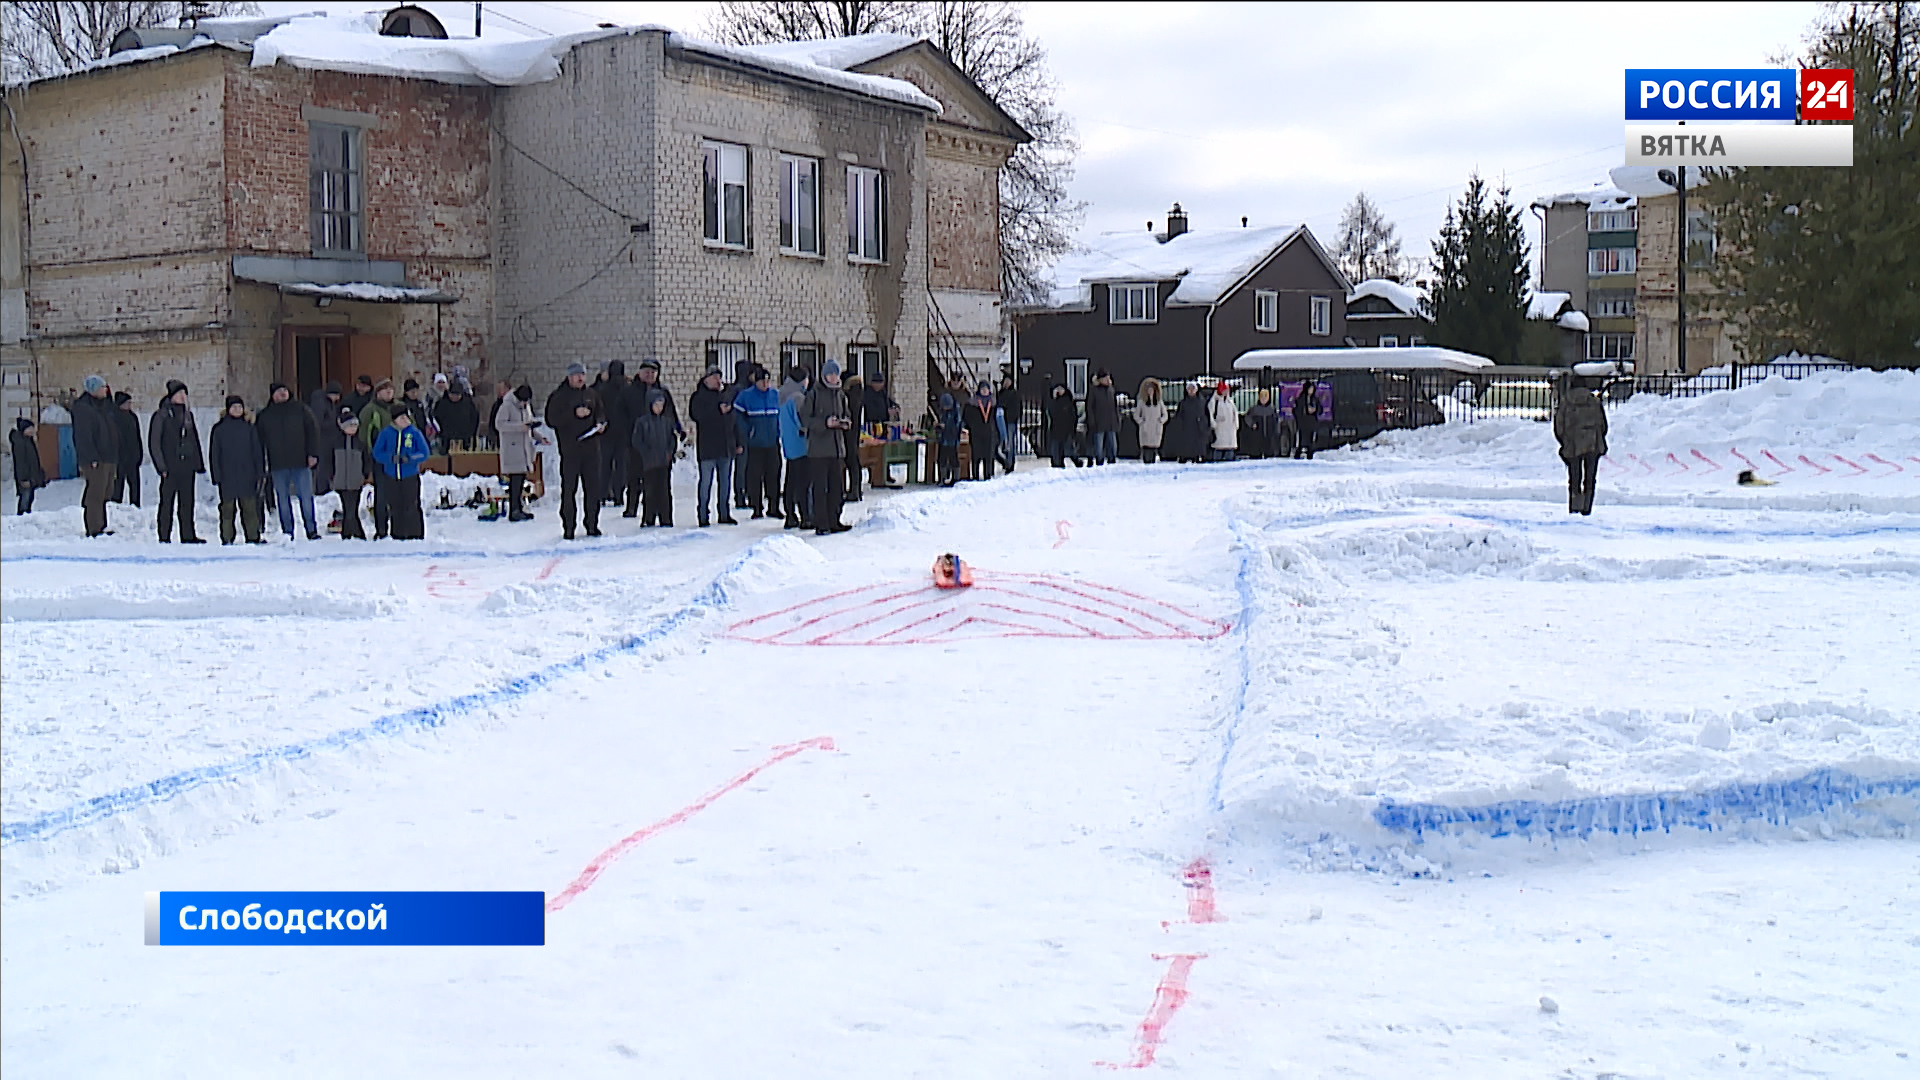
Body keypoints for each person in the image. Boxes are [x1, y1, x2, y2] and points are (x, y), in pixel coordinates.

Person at [545, 362, 604, 540]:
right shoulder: (559, 396)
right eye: (577, 375)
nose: (580, 378)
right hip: (571, 449)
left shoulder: (591, 394)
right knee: (569, 489)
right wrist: (573, 414)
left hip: (591, 449)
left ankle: (592, 524)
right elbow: (551, 419)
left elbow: (601, 412)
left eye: (582, 375)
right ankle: (569, 526)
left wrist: (601, 423)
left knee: (593, 489)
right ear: (569, 377)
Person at [258, 382, 322, 541]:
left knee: (306, 498)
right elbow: (259, 441)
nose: (283, 393)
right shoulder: (265, 415)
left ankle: (311, 529)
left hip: (301, 462)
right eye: (279, 391)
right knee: (282, 500)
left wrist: (313, 454)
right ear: (272, 395)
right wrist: (262, 462)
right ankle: (287, 532)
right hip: (278, 464)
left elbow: (312, 431)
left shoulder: (301, 409)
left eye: (285, 390)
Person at [148, 379, 205, 543]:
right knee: (167, 503)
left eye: (185, 394)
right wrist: (161, 467)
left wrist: (198, 463)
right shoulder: (162, 415)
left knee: (187, 502)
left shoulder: (188, 415)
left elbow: (194, 440)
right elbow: (154, 442)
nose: (183, 397)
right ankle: (164, 535)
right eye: (179, 394)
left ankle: (188, 534)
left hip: (187, 466)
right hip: (170, 467)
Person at [800, 360, 853, 534]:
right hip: (819, 450)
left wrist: (845, 423)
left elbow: (846, 413)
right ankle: (821, 523)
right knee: (820, 489)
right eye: (830, 374)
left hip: (837, 450)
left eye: (836, 374)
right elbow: (805, 419)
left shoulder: (841, 395)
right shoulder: (814, 394)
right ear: (824, 376)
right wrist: (824, 423)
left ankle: (835, 520)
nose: (833, 377)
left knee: (837, 488)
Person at [622, 359, 680, 514]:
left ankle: (656, 509)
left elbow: (671, 412)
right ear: (640, 373)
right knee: (634, 476)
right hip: (636, 441)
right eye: (646, 372)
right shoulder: (630, 391)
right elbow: (620, 414)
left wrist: (677, 428)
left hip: (659, 441)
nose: (650, 375)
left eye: (653, 372)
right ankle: (631, 506)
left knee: (657, 478)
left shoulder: (663, 391)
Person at [207, 395, 266, 545]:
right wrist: (216, 475)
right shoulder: (219, 429)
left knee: (250, 509)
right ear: (228, 409)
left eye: (240, 407)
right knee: (227, 510)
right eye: (234, 407)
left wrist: (260, 472)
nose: (237, 410)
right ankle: (227, 537)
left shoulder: (249, 428)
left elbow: (257, 452)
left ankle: (253, 536)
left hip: (247, 475)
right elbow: (214, 454)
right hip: (227, 476)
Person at [688, 366, 740, 527]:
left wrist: (737, 442)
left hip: (725, 446)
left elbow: (733, 421)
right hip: (708, 447)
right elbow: (697, 416)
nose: (718, 380)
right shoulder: (698, 397)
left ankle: (724, 513)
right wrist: (717, 411)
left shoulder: (725, 395)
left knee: (725, 482)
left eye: (720, 377)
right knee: (706, 482)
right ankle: (703, 514)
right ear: (706, 379)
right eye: (715, 377)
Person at [1553, 374, 1609, 516]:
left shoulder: (1566, 403)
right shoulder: (1594, 402)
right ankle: (1587, 507)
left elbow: (1559, 426)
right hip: (1592, 443)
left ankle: (1575, 506)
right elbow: (1603, 425)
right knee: (1590, 479)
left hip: (1572, 444)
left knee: (1574, 478)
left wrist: (1564, 441)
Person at [371, 409, 431, 539]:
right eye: (401, 417)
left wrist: (410, 458)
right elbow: (377, 453)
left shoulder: (414, 433)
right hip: (391, 475)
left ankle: (415, 533)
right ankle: (398, 533)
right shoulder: (386, 433)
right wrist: (390, 458)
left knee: (411, 505)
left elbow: (424, 452)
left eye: (406, 417)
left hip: (410, 475)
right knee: (395, 506)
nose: (405, 420)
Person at [732, 364, 783, 519]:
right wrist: (747, 432)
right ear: (756, 382)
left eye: (768, 381)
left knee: (774, 475)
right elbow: (738, 416)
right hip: (755, 444)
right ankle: (757, 507)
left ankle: (774, 506)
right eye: (762, 381)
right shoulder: (746, 396)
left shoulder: (776, 395)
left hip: (772, 443)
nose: (766, 384)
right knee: (755, 477)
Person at [71, 374, 119, 536]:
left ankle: (102, 524)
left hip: (107, 456)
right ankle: (93, 527)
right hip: (95, 458)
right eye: (102, 387)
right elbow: (83, 436)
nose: (105, 390)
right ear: (93, 390)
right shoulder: (83, 408)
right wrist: (90, 457)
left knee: (105, 492)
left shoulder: (103, 406)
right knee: (95, 493)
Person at [631, 389, 678, 526]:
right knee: (650, 491)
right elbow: (637, 440)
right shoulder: (642, 422)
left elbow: (672, 439)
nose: (659, 408)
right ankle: (648, 518)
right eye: (656, 404)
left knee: (664, 491)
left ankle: (666, 518)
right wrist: (646, 453)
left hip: (664, 462)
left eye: (661, 405)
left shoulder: (666, 422)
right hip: (649, 463)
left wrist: (670, 452)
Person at [494, 384, 539, 523]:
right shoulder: (506, 406)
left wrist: (538, 436)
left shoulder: (526, 407)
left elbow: (528, 425)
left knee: (521, 479)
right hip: (512, 448)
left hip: (524, 447)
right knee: (515, 480)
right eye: (523, 401)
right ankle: (514, 510)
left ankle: (519, 508)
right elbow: (499, 424)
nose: (525, 404)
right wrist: (520, 427)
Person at [777, 367, 813, 530]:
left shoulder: (782, 394)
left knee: (790, 481)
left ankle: (790, 514)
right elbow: (803, 421)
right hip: (801, 444)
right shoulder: (798, 397)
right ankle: (806, 516)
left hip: (789, 444)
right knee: (803, 483)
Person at [597, 360, 631, 507]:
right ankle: (619, 495)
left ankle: (603, 494)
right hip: (623, 433)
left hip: (606, 432)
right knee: (621, 466)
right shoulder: (627, 388)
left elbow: (599, 409)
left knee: (605, 465)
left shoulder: (603, 389)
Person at [331, 410, 369, 539]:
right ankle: (352, 533)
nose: (353, 428)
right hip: (341, 481)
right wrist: (331, 476)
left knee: (353, 507)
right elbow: (329, 461)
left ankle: (352, 532)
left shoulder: (360, 443)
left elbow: (366, 460)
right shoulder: (335, 442)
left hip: (356, 481)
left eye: (355, 426)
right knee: (348, 508)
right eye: (350, 425)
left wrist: (365, 474)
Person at [308, 380, 344, 495]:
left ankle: (326, 488)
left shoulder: (329, 403)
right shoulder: (320, 403)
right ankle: (322, 490)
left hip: (329, 438)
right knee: (323, 466)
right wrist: (335, 423)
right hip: (323, 439)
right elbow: (318, 422)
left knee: (328, 465)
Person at [109, 391, 145, 506]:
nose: (129, 405)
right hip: (118, 458)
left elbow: (137, 437)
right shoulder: (113, 417)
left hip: (132, 457)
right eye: (127, 403)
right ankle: (116, 506)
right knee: (117, 485)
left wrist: (139, 454)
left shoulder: (132, 417)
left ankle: (135, 505)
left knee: (134, 484)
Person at [433, 380, 480, 454]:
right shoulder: (442, 404)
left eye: (457, 395)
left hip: (464, 438)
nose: (454, 397)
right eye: (452, 394)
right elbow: (436, 419)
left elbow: (474, 419)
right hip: (446, 439)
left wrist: (471, 434)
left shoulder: (468, 404)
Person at [965, 380, 998, 480]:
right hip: (976, 432)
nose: (984, 391)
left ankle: (988, 474)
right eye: (982, 389)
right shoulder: (972, 403)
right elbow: (967, 416)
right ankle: (975, 475)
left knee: (988, 455)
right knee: (976, 454)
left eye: (986, 389)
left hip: (989, 431)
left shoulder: (993, 403)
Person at [1085, 370, 1120, 465]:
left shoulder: (1111, 390)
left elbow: (1114, 406)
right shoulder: (1094, 390)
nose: (1108, 380)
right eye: (1106, 378)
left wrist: (1117, 419)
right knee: (1098, 444)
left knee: (1112, 444)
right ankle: (1099, 460)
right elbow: (1089, 407)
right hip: (1098, 422)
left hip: (1111, 422)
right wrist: (1091, 421)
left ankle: (1112, 459)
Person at [11, 418, 45, 515]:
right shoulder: (20, 443)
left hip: (31, 476)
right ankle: (22, 516)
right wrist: (23, 479)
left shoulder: (28, 441)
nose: (32, 431)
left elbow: (33, 460)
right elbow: (20, 462)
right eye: (29, 429)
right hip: (25, 477)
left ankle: (26, 515)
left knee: (30, 497)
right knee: (25, 497)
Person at [841, 371, 866, 504]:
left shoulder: (850, 394)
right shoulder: (859, 391)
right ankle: (856, 489)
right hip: (855, 430)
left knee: (851, 460)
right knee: (854, 460)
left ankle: (853, 491)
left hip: (848, 431)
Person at [1133, 378, 1167, 464]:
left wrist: (1161, 421)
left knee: (1154, 447)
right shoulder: (1142, 402)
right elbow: (1136, 414)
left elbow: (1165, 415)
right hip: (1146, 428)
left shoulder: (1159, 402)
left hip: (1156, 427)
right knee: (1146, 448)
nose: (1150, 391)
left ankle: (1153, 459)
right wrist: (1141, 422)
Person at [1044, 383, 1078, 469]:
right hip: (1055, 428)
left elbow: (1073, 415)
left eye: (1061, 389)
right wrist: (1053, 398)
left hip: (1066, 428)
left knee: (1068, 448)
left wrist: (1073, 427)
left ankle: (1076, 461)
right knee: (1055, 448)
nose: (1059, 391)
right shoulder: (1054, 402)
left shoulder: (1068, 401)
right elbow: (1051, 412)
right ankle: (1056, 464)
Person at [1243, 388, 1280, 459]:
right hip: (1257, 437)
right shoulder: (1254, 409)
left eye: (1265, 397)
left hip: (1269, 437)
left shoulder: (1272, 409)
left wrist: (1276, 431)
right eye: (1262, 397)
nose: (1263, 399)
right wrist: (1252, 424)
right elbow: (1247, 417)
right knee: (1256, 455)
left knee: (1269, 455)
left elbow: (1276, 420)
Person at [1207, 381, 1239, 462]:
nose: (1226, 392)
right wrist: (1214, 424)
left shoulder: (1230, 401)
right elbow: (1210, 414)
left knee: (1229, 453)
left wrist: (1236, 425)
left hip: (1230, 432)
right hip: (1220, 430)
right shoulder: (1214, 401)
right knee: (1219, 451)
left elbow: (1235, 413)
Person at [995, 375, 1021, 472]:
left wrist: (1013, 417)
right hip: (1001, 420)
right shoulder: (1001, 393)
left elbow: (1017, 408)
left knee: (1009, 443)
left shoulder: (1014, 394)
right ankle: (1005, 461)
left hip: (1010, 421)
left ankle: (1010, 463)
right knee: (1002, 442)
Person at [1292, 380, 1321, 460]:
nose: (1311, 391)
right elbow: (1296, 410)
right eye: (1310, 388)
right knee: (1301, 439)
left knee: (1311, 440)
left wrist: (1314, 410)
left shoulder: (1315, 399)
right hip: (1303, 422)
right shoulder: (1301, 399)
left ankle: (1310, 454)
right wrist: (1304, 411)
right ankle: (1298, 453)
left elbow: (1320, 409)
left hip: (1311, 422)